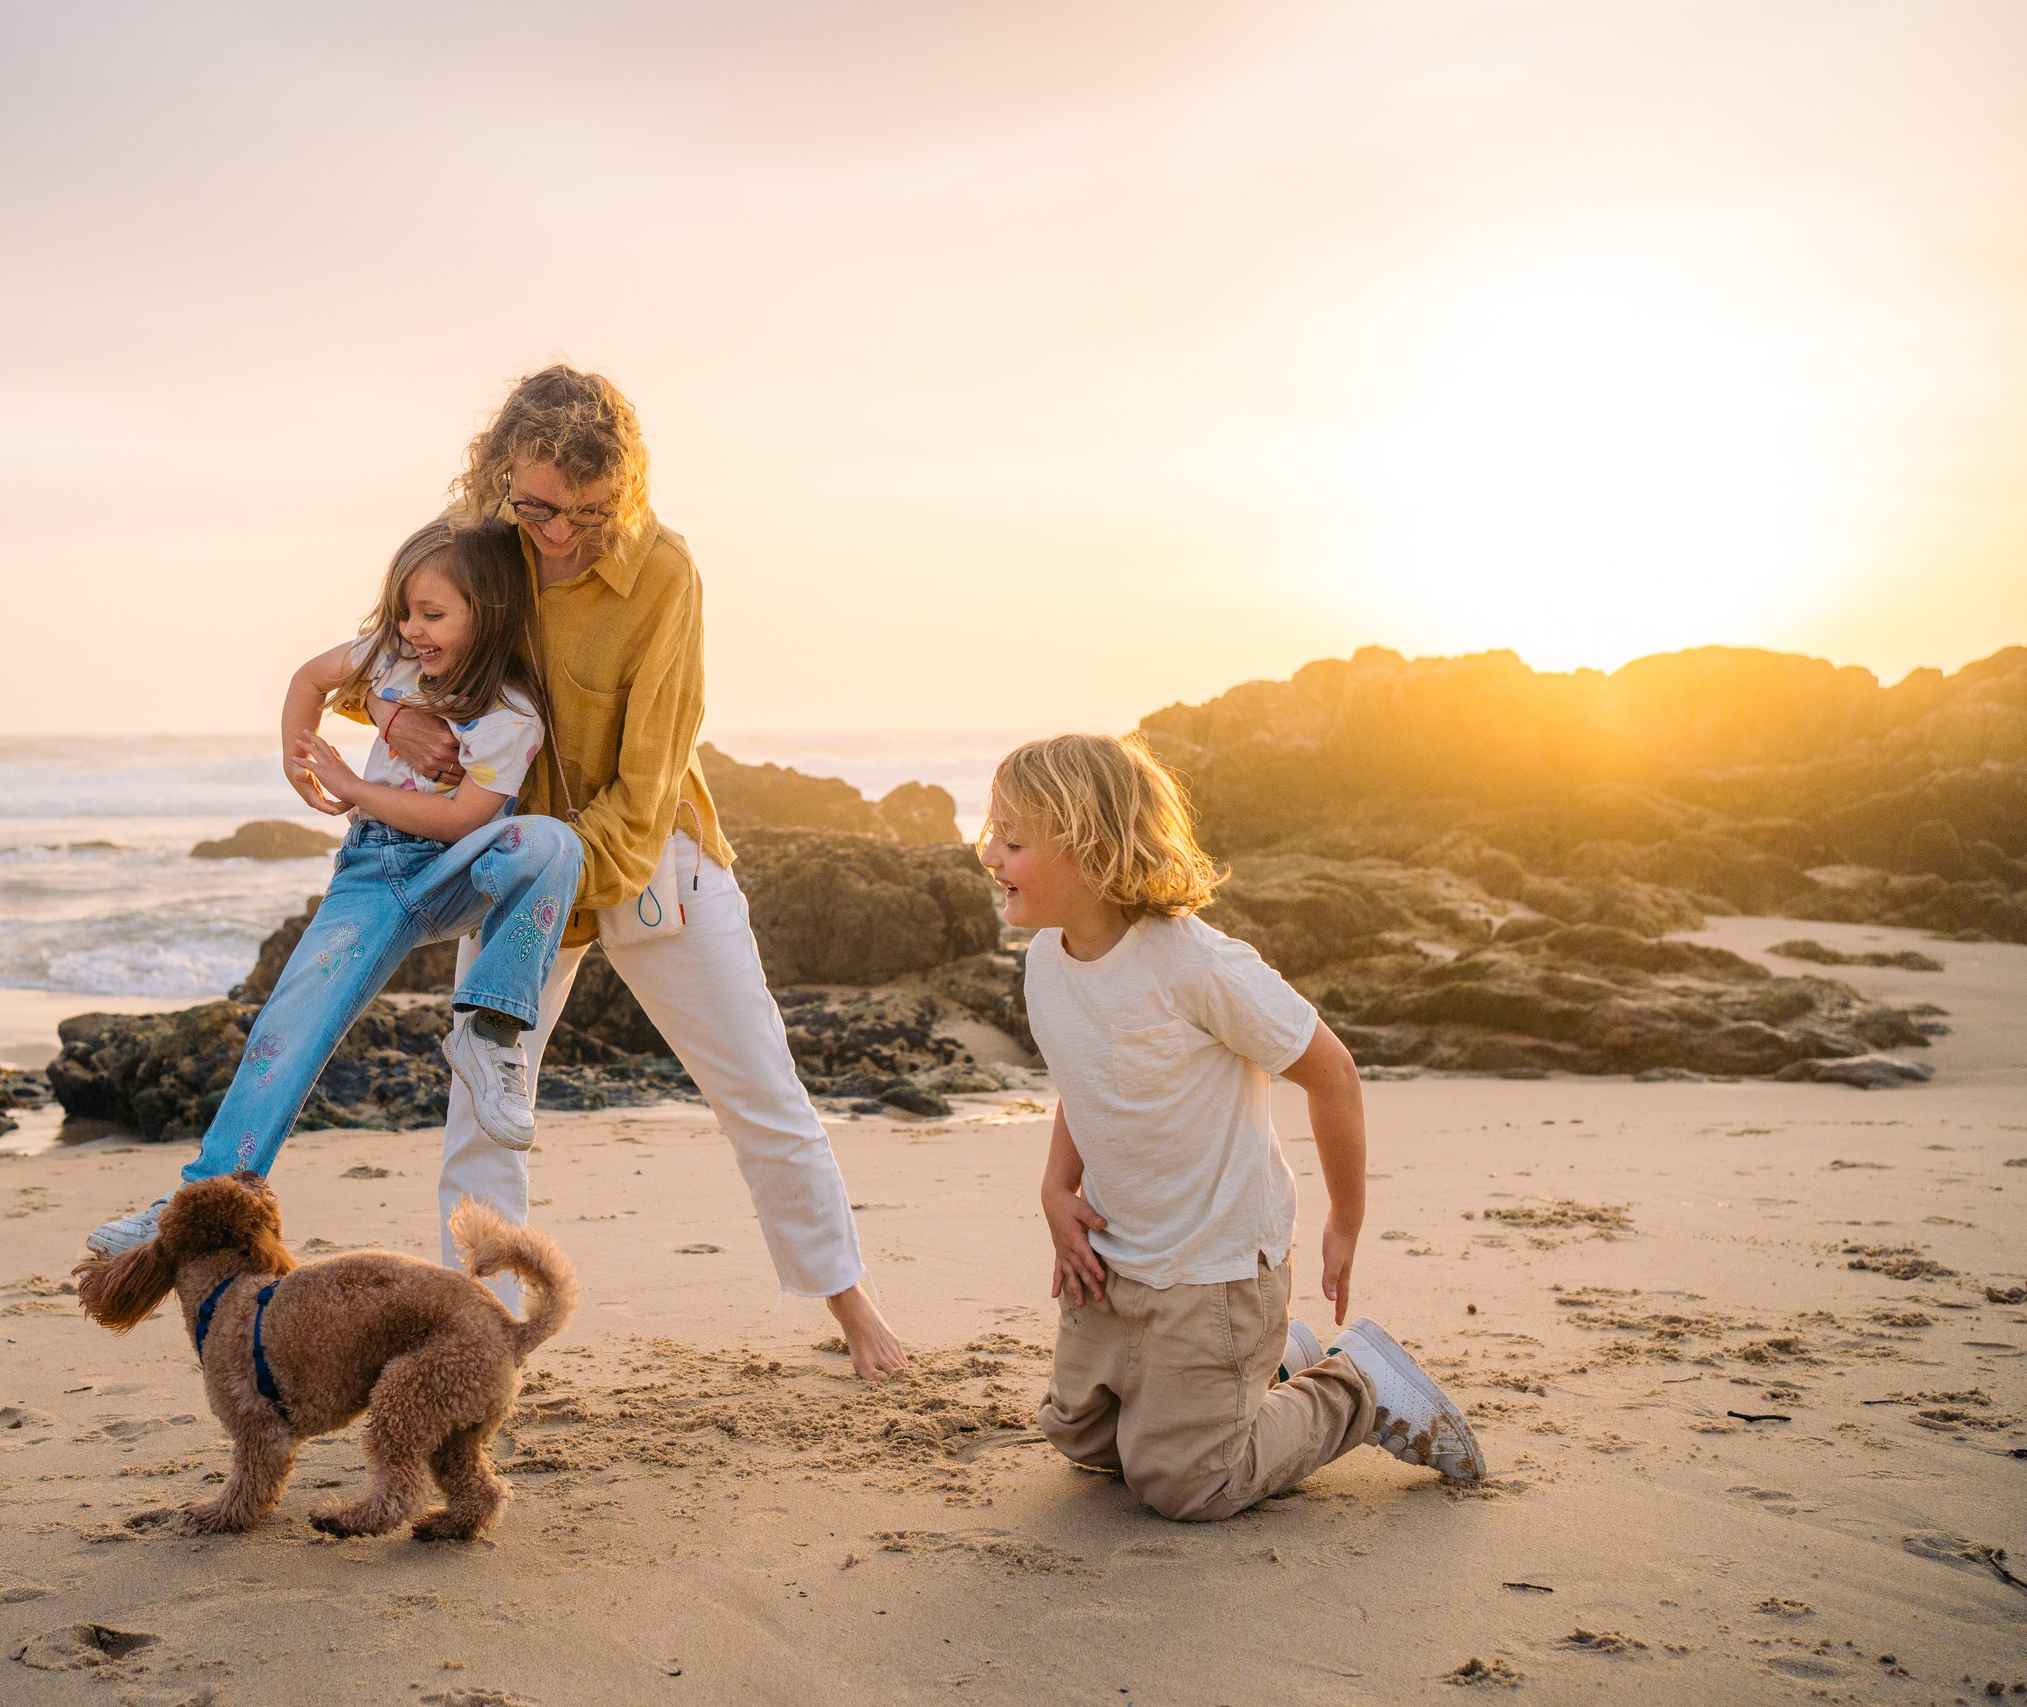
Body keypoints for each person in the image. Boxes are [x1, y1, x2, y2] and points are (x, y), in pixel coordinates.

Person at [367, 365, 908, 1379]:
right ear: (499, 479)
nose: (560, 534)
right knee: (481, 1111)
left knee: (760, 1088)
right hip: (519, 869)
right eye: (536, 507)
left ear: (624, 491)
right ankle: (473, 1341)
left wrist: (563, 883)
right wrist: (397, 714)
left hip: (654, 852)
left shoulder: (665, 572)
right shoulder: (469, 543)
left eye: (588, 510)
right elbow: (383, 659)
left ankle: (850, 1303)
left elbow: (654, 772)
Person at [979, 733, 1484, 1520]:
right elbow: (1086, 1079)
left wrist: (1346, 1218)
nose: (988, 854)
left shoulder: (1198, 967)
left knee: (1186, 1482)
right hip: (1118, 1255)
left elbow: (1333, 1071)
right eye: (992, 833)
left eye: (1012, 841)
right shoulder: (1046, 961)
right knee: (1084, 1438)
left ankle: (1358, 1385)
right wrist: (1056, 1187)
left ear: (1093, 853)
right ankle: (1274, 1365)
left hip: (1213, 1266)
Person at [85, 517, 583, 1255]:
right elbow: (310, 678)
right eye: (406, 611)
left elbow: (464, 820)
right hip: (371, 875)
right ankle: (196, 1199)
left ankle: (490, 1029)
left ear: (490, 611)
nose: (413, 629)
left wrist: (355, 780)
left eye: (433, 615)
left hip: (455, 869)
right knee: (283, 1033)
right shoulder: (392, 656)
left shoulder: (513, 714)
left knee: (552, 843)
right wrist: (300, 763)